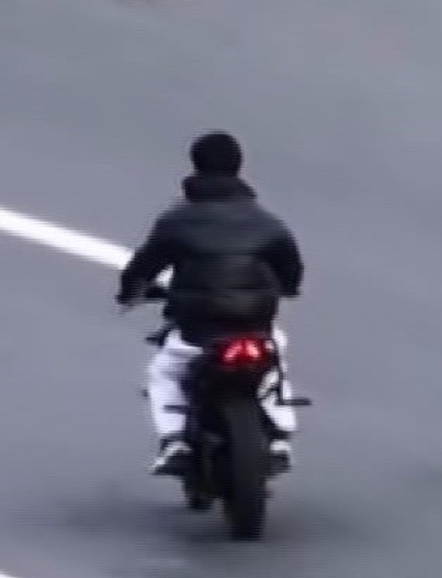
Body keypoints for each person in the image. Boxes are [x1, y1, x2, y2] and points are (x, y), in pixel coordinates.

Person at [116, 131, 304, 476]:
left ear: (195, 165)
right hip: (255, 323)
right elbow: (291, 268)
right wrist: (287, 288)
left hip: (198, 328)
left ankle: (174, 442)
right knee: (274, 363)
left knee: (165, 371)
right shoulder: (266, 221)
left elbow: (142, 267)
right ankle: (280, 436)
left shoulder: (176, 221)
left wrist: (130, 293)